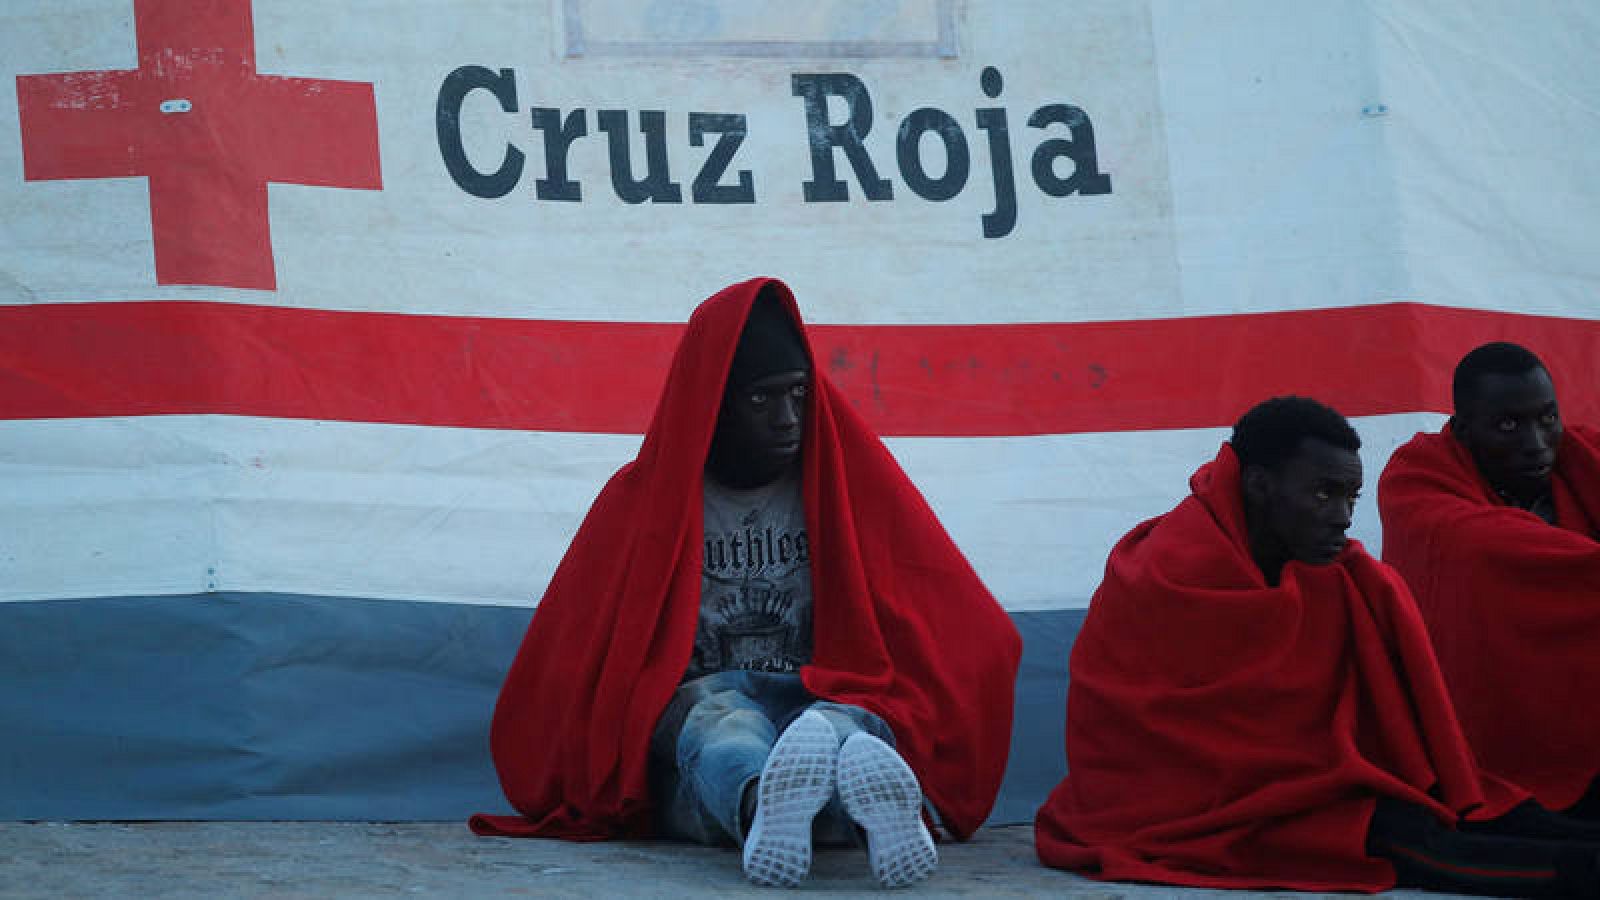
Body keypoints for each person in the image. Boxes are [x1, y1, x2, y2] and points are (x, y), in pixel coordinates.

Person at [470, 278, 1021, 889]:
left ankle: (797, 808)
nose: (788, 419)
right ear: (713, 402)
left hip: (821, 693)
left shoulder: (846, 484)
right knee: (723, 728)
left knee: (844, 726)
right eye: (761, 401)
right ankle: (776, 805)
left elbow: (957, 612)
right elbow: (571, 656)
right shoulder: (641, 504)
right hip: (702, 702)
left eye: (798, 395)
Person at [1036, 396, 1600, 896]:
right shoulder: (1164, 573)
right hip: (1191, 807)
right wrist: (1331, 783)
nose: (1344, 518)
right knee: (1399, 835)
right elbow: (1162, 735)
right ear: (1258, 484)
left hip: (1318, 786)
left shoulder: (1333, 571)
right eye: (1324, 494)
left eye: (1351, 495)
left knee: (1480, 806)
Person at [1380, 342, 1600, 816]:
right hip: (1493, 725)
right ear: (1462, 431)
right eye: (1508, 425)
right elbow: (1479, 548)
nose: (1537, 443)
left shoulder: (1583, 459)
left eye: (1547, 418)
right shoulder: (1416, 477)